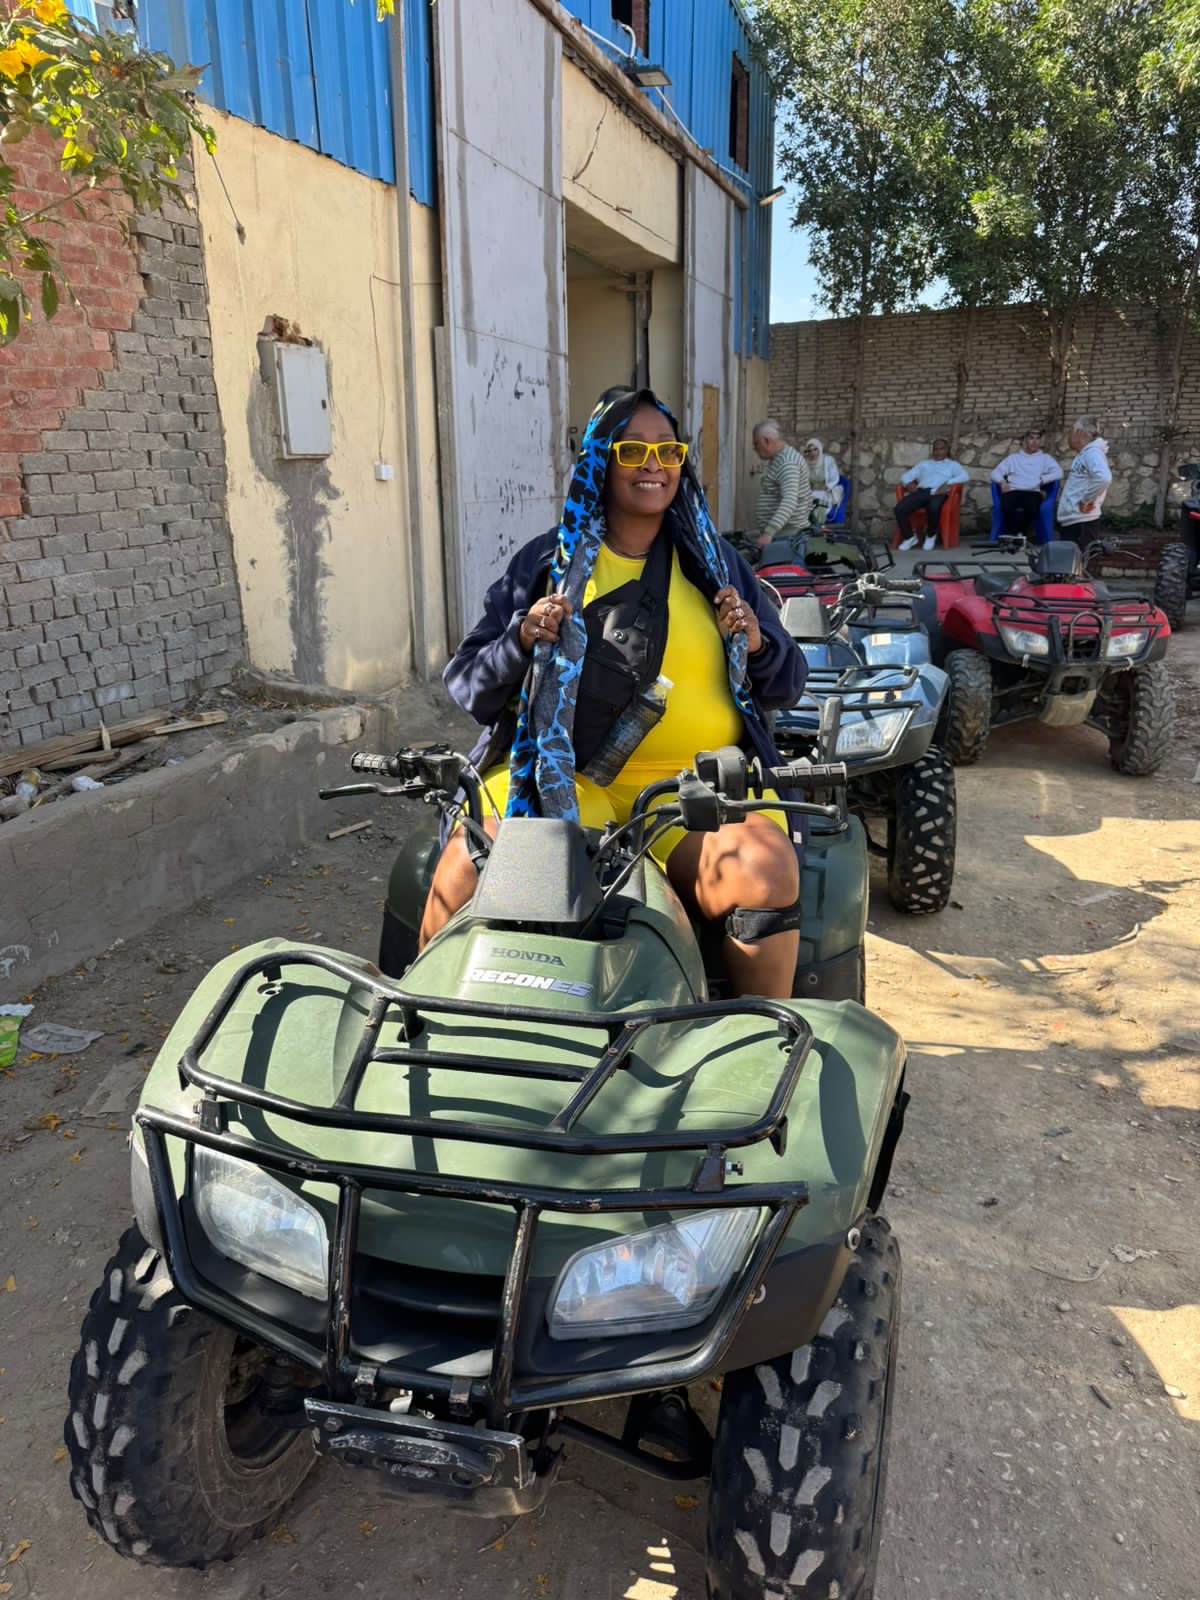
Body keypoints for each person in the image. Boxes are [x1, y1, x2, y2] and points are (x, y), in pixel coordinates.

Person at [424, 387, 809, 999]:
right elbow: (469, 682)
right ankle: (425, 1026)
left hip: (695, 793)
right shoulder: (547, 563)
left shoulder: (715, 563)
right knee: (468, 867)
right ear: (600, 459)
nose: (653, 464)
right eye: (633, 450)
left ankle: (759, 1035)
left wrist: (759, 645)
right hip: (562, 782)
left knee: (763, 866)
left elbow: (787, 684)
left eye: (668, 450)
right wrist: (520, 641)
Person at [895, 439, 969, 551]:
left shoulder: (952, 465)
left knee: (933, 507)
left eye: (941, 449)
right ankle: (909, 537)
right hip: (922, 492)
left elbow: (964, 476)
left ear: (947, 450)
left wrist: (948, 483)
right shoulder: (924, 464)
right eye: (936, 449)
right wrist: (908, 483)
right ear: (932, 451)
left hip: (938, 493)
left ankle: (930, 535)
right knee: (899, 508)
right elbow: (906, 476)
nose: (938, 452)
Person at [752, 420, 812, 558]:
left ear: (767, 441)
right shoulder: (780, 458)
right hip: (783, 534)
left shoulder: (787, 462)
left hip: (786, 537)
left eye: (756, 444)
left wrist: (769, 533)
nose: (755, 449)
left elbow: (790, 500)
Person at [991, 429, 1063, 538]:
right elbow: (995, 473)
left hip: (1032, 492)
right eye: (1031, 438)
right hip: (1014, 490)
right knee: (1006, 506)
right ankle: (1016, 534)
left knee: (1032, 508)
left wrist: (1042, 480)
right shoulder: (1013, 458)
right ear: (1025, 440)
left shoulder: (1045, 458)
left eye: (1037, 439)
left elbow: (1059, 472)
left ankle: (1020, 534)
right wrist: (1002, 482)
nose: (1034, 442)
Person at [1057, 416, 1112, 548]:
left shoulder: (1092, 453)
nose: (1068, 437)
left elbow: (1103, 478)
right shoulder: (1086, 454)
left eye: (1071, 432)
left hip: (1081, 524)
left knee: (1079, 560)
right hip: (1075, 522)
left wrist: (1086, 500)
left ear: (1079, 433)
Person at [802, 438, 843, 524]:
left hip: (826, 493)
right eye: (809, 450)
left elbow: (835, 478)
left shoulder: (828, 460)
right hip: (811, 492)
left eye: (815, 449)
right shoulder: (806, 463)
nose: (812, 453)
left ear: (819, 449)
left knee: (818, 503)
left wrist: (825, 486)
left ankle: (817, 526)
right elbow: (804, 481)